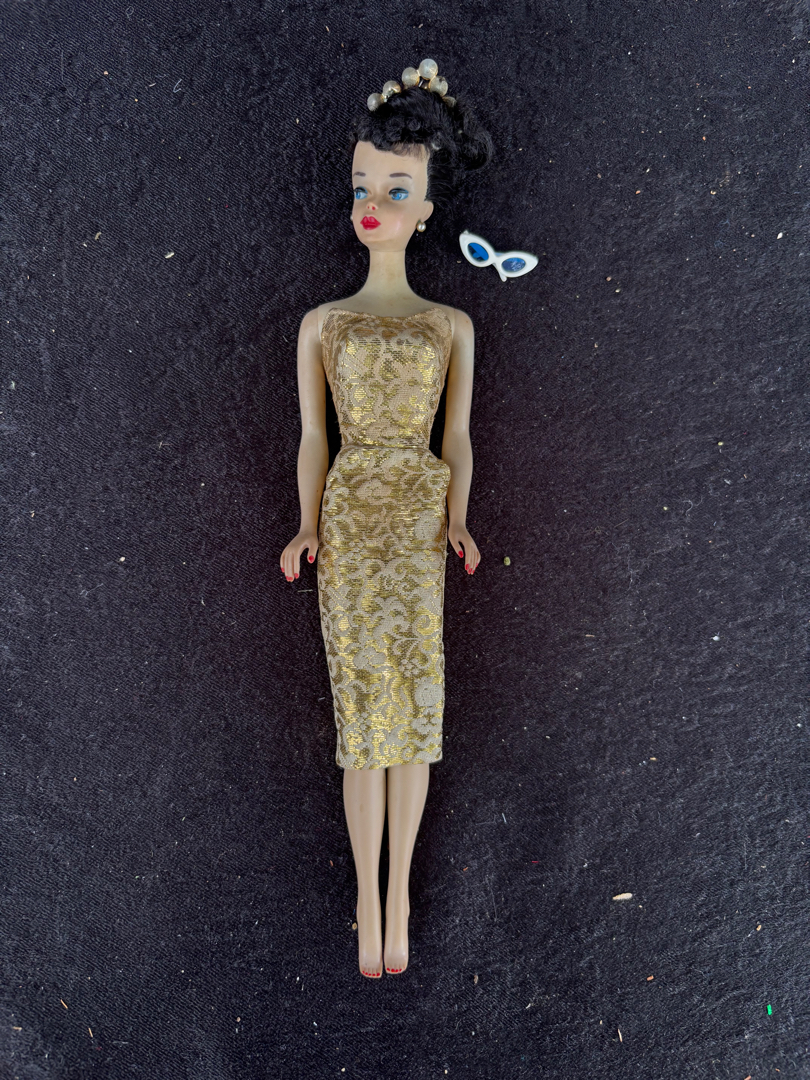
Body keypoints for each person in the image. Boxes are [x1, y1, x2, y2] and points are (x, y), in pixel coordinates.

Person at [279, 60, 493, 979]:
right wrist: (304, 525)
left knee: (415, 697)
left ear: (427, 208)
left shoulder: (451, 324)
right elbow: (312, 438)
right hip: (350, 516)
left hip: (415, 520)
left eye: (396, 190)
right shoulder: (321, 323)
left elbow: (459, 437)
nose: (375, 205)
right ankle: (368, 894)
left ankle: (398, 889)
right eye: (365, 187)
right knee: (362, 705)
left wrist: (458, 519)